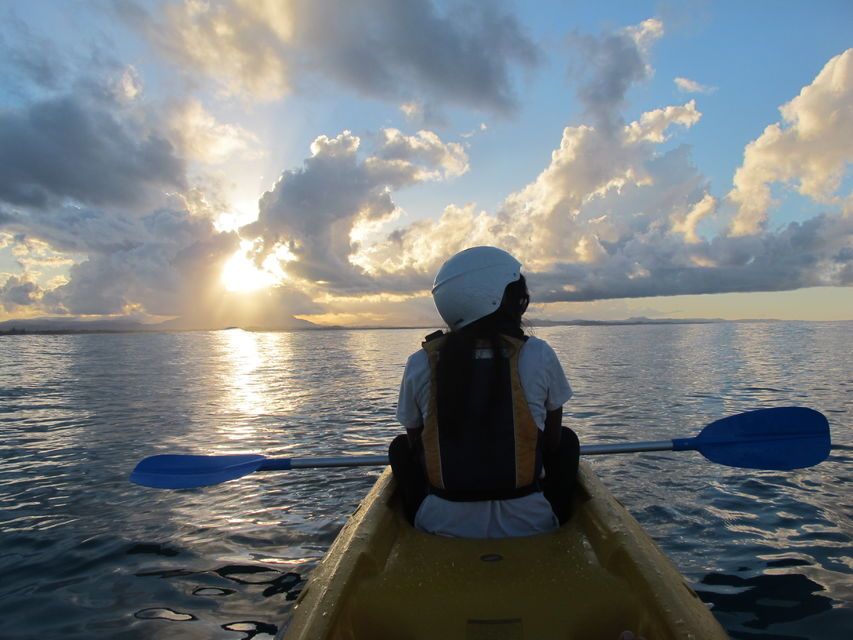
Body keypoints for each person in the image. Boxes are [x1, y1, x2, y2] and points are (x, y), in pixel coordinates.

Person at [389, 246, 580, 538]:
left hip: (439, 522)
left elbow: (417, 445)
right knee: (567, 440)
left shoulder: (421, 362)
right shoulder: (539, 354)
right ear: (508, 304)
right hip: (531, 522)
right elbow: (552, 443)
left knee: (400, 448)